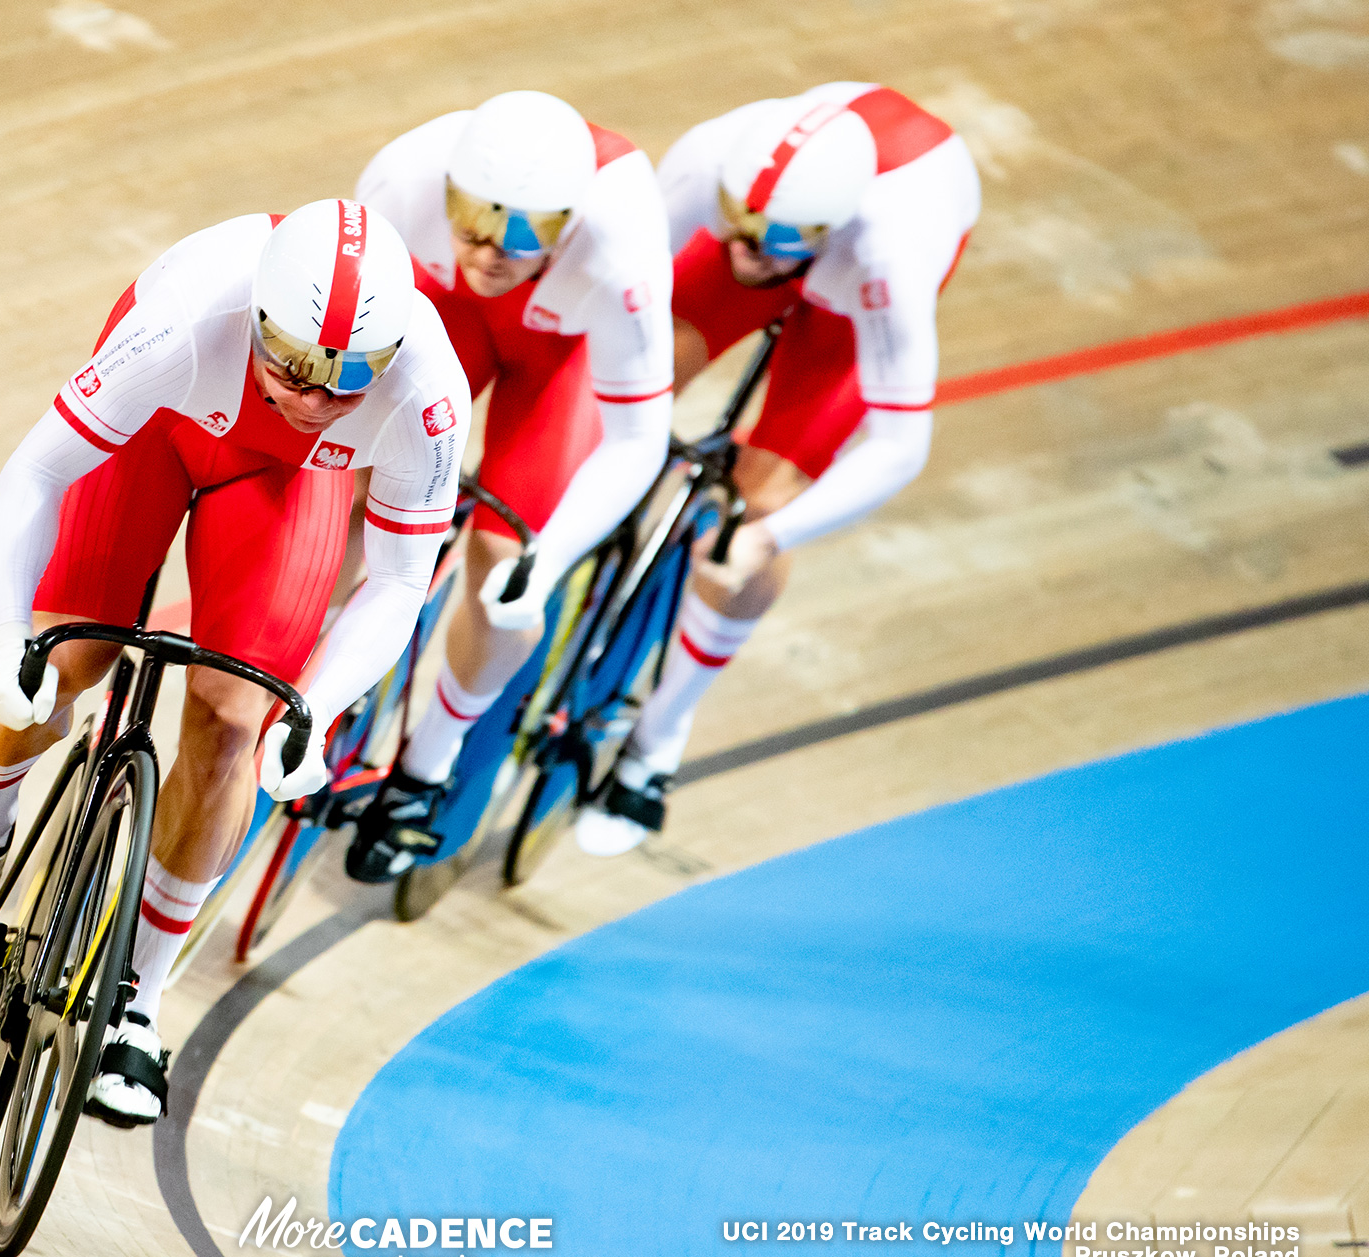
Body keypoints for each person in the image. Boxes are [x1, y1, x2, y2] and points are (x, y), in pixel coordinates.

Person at [0, 199, 470, 1125]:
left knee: (237, 721)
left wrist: (316, 710)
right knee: (63, 659)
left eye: (349, 379)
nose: (317, 396)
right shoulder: (183, 323)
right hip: (155, 433)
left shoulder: (427, 396)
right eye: (293, 364)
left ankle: (139, 998)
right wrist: (10, 638)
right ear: (256, 319)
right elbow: (37, 473)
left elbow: (404, 579)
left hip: (283, 481)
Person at [573, 83, 979, 855]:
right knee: (626, 387)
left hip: (848, 295)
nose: (742, 253)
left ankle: (656, 742)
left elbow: (901, 447)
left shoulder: (891, 256)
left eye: (768, 246)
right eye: (736, 228)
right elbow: (618, 293)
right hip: (792, 221)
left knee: (759, 504)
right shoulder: (713, 164)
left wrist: (768, 537)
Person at [345, 90, 676, 880]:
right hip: (442, 318)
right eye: (475, 225)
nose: (494, 251)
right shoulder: (400, 179)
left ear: (571, 222)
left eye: (527, 237)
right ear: (447, 194)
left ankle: (424, 769)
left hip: (554, 361)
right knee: (353, 490)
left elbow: (640, 437)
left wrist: (548, 557)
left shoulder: (623, 247)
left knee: (503, 566)